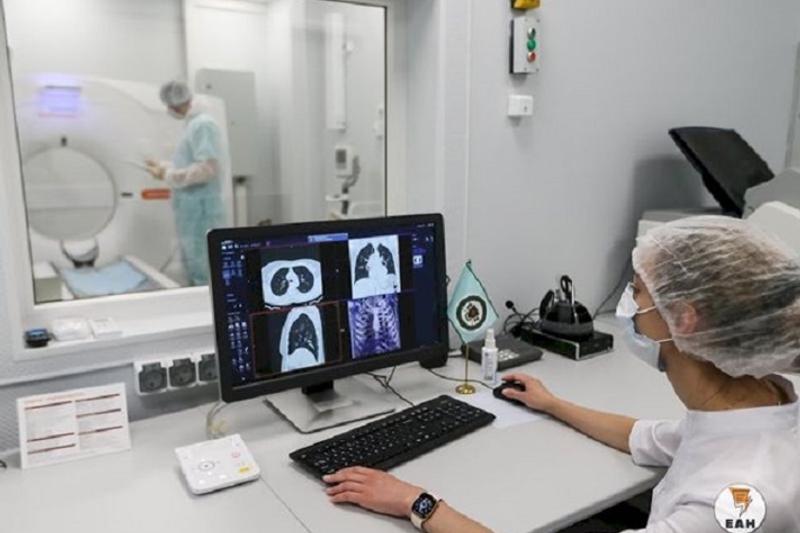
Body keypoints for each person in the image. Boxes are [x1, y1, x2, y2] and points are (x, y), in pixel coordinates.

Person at [322, 216, 800, 532]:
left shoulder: (732, 498)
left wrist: (416, 502)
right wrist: (553, 404)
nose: (627, 304)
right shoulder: (757, 403)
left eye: (637, 291)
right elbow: (648, 437)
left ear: (686, 319)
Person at [145, 80, 226, 285]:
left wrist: (168, 175)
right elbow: (188, 162)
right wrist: (163, 167)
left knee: (203, 269)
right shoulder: (193, 124)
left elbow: (207, 169)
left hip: (201, 209)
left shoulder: (203, 125)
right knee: (194, 264)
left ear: (174, 104)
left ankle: (205, 304)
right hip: (192, 209)